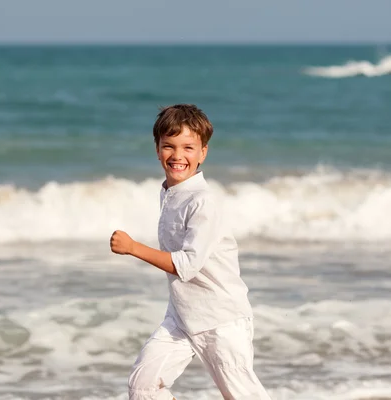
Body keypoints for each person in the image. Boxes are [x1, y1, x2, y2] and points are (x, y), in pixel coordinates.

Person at [110, 104, 271, 400]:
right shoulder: (170, 192)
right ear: (157, 150)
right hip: (182, 316)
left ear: (203, 153)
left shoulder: (203, 201)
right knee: (143, 386)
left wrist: (134, 248)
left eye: (188, 147)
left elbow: (186, 265)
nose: (177, 155)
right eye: (169, 146)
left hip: (221, 319)